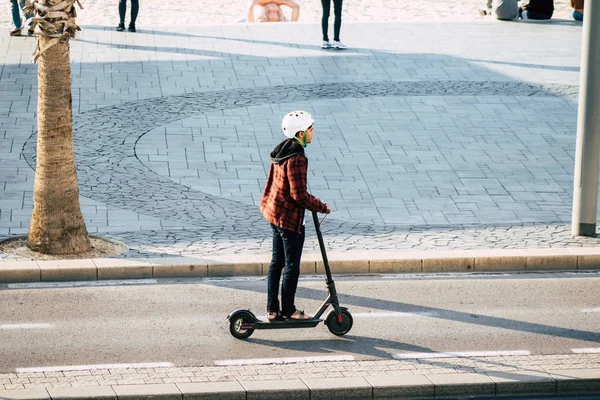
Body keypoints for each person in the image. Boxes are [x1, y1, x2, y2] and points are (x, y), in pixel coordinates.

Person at [260, 111, 331, 321]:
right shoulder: (297, 158)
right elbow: (298, 194)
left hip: (274, 213)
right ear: (300, 134)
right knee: (291, 266)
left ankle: (272, 310)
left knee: (276, 262)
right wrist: (321, 206)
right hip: (289, 219)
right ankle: (289, 310)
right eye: (310, 129)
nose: (313, 133)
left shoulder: (281, 151)